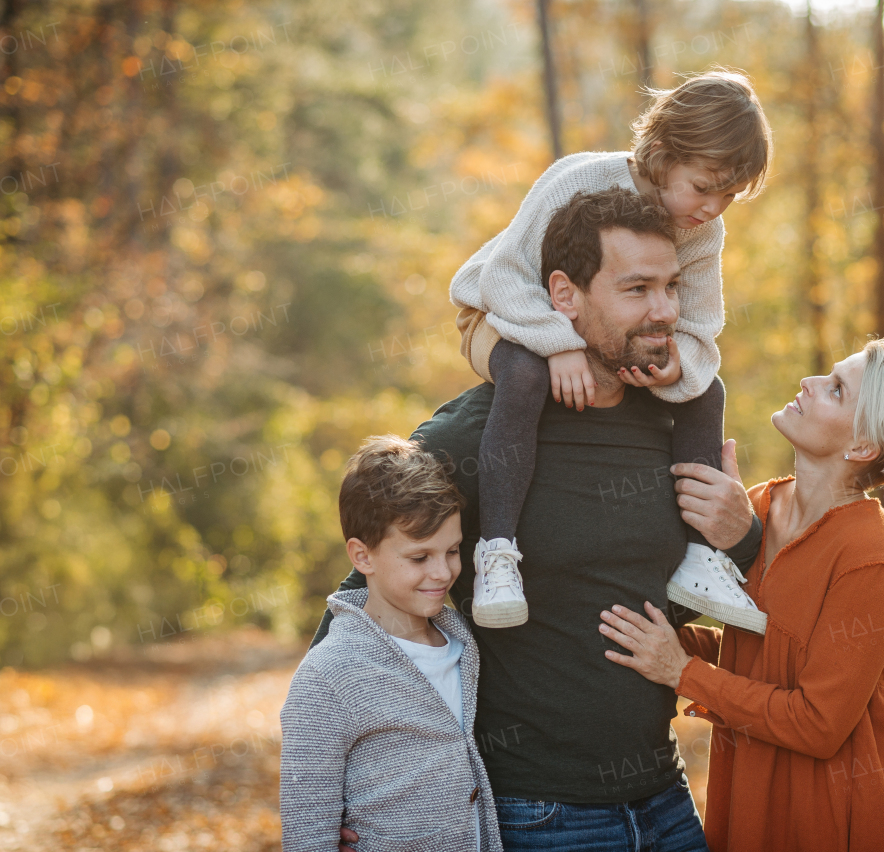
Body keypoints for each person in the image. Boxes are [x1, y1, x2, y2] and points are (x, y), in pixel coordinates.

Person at [315, 188, 762, 852]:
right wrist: (350, 800)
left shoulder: (676, 420)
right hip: (539, 816)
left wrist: (741, 533)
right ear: (565, 294)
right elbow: (366, 601)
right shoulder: (479, 435)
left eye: (672, 286)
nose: (666, 310)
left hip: (666, 802)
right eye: (637, 289)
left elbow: (693, 596)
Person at [598, 339, 884, 851]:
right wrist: (661, 636)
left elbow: (818, 723)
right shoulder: (757, 508)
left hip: (842, 807)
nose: (809, 384)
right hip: (755, 780)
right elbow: (761, 646)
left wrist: (682, 671)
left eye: (835, 390)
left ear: (861, 448)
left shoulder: (872, 556)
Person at [450, 68, 773, 632]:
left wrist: (679, 365)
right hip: (500, 313)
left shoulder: (702, 232)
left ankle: (702, 556)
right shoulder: (578, 180)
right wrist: (559, 345)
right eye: (703, 187)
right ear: (662, 150)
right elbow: (505, 277)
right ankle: (498, 554)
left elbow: (699, 327)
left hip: (596, 331)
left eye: (729, 196)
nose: (713, 207)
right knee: (525, 376)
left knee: (706, 387)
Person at [281, 435, 502, 852]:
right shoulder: (328, 675)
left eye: (452, 551)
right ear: (362, 557)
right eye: (419, 558)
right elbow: (306, 828)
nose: (442, 572)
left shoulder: (465, 643)